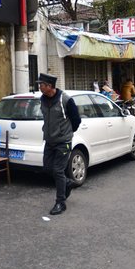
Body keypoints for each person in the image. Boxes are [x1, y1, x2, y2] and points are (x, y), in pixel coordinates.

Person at [37, 73, 81, 216]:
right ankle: (67, 183)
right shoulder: (43, 99)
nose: (39, 87)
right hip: (49, 141)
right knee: (47, 168)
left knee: (57, 170)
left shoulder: (66, 100)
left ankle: (60, 202)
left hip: (63, 142)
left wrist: (65, 134)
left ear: (49, 86)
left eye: (41, 84)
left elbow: (76, 120)